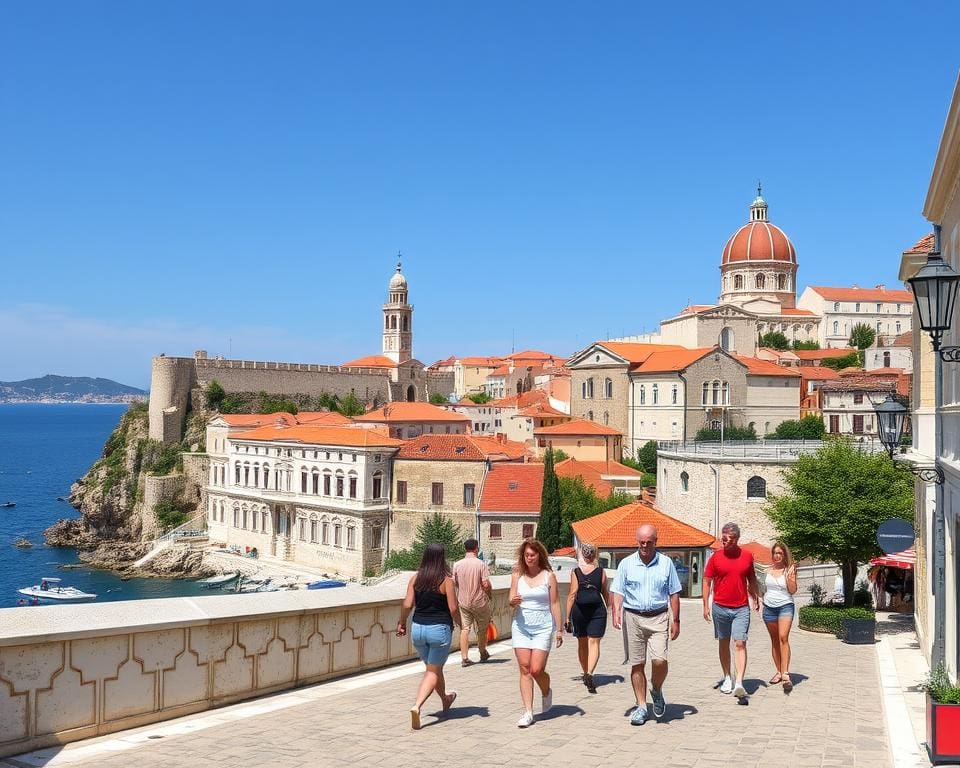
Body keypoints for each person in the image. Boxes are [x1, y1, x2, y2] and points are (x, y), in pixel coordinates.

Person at [611, 524, 682, 725]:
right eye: (641, 542)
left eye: (648, 542)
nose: (644, 546)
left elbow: (674, 592)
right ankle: (641, 706)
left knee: (660, 660)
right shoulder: (626, 564)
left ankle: (656, 688)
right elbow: (617, 590)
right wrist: (616, 610)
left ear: (655, 542)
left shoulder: (666, 563)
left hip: (659, 617)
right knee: (637, 663)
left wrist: (676, 620)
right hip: (633, 617)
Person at [397, 543, 460, 730]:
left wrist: (401, 622)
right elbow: (453, 608)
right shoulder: (446, 580)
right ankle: (417, 706)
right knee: (432, 671)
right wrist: (460, 623)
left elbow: (408, 604)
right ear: (442, 558)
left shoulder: (415, 578)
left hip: (418, 629)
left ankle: (446, 699)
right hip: (438, 629)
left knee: (434, 669)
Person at [703, 522, 760, 699]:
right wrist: (705, 605)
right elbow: (706, 581)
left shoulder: (747, 556)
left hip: (741, 607)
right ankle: (727, 676)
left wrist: (756, 596)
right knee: (723, 641)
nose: (723, 541)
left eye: (727, 539)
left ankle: (739, 682)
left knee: (740, 642)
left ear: (736, 539)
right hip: (720, 606)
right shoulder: (715, 557)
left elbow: (751, 578)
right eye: (722, 537)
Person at [509, 538, 563, 727]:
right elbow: (511, 598)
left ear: (539, 555)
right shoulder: (517, 575)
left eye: (532, 554)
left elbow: (555, 602)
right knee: (525, 668)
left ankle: (546, 691)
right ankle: (528, 712)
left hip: (543, 626)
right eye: (526, 555)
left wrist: (559, 629)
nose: (529, 558)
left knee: (536, 669)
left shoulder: (549, 576)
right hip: (521, 625)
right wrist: (513, 601)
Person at [565, 542, 609, 693]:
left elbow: (572, 594)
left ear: (583, 554)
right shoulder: (601, 572)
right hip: (597, 610)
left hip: (580, 610)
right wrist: (609, 607)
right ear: (595, 554)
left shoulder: (576, 572)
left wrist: (567, 617)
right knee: (594, 643)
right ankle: (589, 673)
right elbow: (605, 592)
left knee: (582, 643)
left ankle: (585, 673)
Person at [762, 541, 798, 692]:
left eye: (780, 553)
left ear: (784, 555)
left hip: (785, 606)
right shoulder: (767, 571)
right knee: (774, 640)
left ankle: (785, 673)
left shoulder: (788, 570)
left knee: (783, 637)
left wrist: (790, 578)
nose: (777, 556)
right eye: (775, 553)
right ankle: (778, 671)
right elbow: (761, 588)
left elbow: (793, 590)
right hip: (769, 608)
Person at [453, 538, 493, 666]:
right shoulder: (481, 564)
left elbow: (454, 582)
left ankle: (464, 657)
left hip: (463, 601)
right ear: (476, 548)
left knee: (465, 629)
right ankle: (482, 651)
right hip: (479, 601)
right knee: (482, 628)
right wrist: (489, 595)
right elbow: (485, 584)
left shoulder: (457, 564)